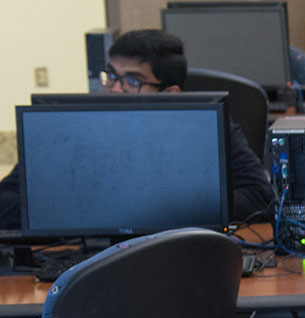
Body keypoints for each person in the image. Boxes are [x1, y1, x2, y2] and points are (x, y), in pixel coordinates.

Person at [0, 29, 273, 229]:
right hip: (88, 260)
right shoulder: (75, 132)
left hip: (175, 254)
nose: (115, 89)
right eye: (112, 77)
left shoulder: (207, 129)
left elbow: (259, 197)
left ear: (171, 93)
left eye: (132, 80)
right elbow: (6, 199)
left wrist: (166, 207)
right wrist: (76, 208)